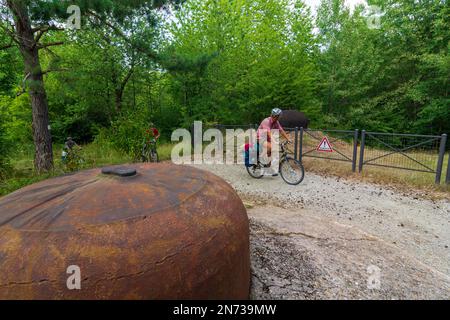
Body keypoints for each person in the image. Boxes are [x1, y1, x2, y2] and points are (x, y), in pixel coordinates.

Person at [257, 108, 292, 175]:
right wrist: (274, 141)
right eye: (279, 116)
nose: (280, 117)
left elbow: (281, 130)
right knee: (272, 147)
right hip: (260, 138)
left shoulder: (276, 122)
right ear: (275, 116)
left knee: (272, 152)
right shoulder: (266, 121)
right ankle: (261, 157)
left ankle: (269, 165)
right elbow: (268, 132)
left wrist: (288, 139)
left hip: (267, 138)